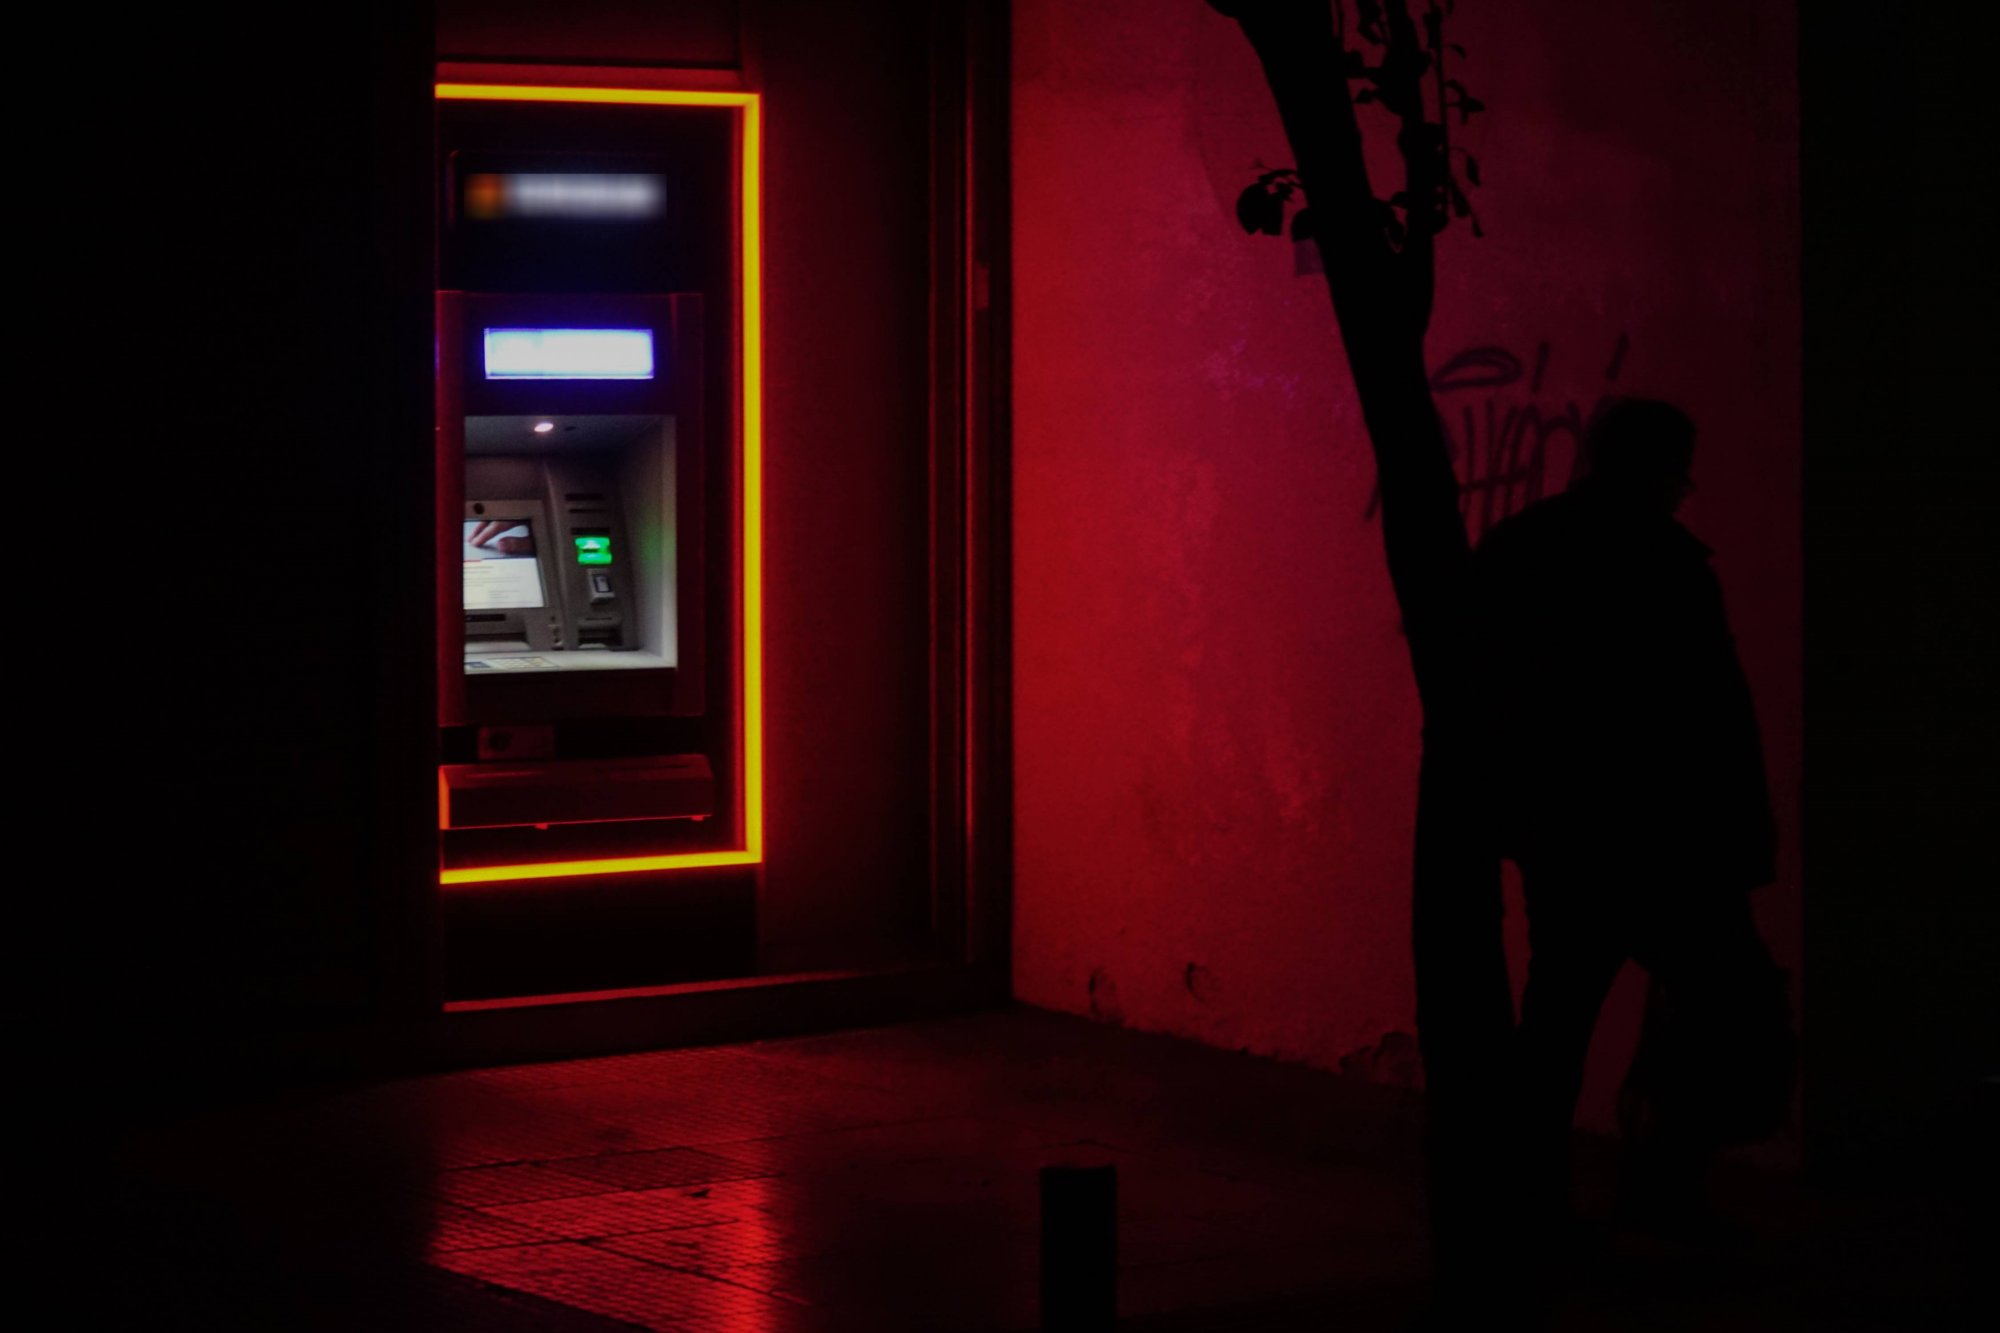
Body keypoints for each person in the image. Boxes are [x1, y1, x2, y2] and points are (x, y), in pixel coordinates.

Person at [1474, 397, 1793, 1261]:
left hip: (1568, 832)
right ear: (1659, 471)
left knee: (1559, 1018)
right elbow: (1711, 717)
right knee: (1718, 1006)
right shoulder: (1666, 562)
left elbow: (1489, 693)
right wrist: (1742, 838)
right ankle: (1659, 1187)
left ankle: (1532, 1204)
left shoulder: (1523, 547)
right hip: (1668, 839)